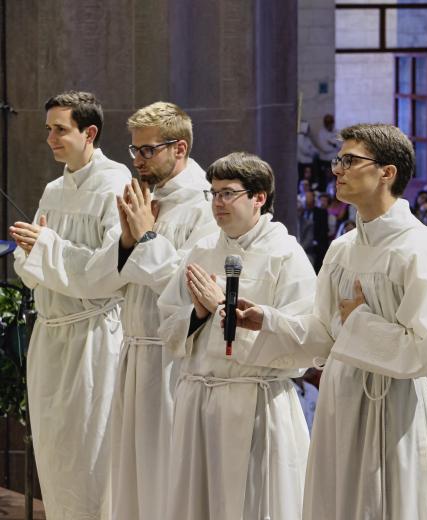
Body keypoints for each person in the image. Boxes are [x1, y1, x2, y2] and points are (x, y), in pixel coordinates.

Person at [229, 124, 427, 520]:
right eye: (339, 160)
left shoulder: (417, 248)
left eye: (350, 161)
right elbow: (323, 333)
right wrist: (268, 320)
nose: (337, 169)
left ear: (387, 173)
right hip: (342, 396)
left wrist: (360, 322)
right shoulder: (342, 248)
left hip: (392, 404)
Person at [157, 152, 316, 519]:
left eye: (228, 193)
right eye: (212, 193)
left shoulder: (285, 255)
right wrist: (198, 314)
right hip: (198, 399)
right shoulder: (202, 250)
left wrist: (220, 311)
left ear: (259, 197)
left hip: (254, 402)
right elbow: (167, 321)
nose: (217, 203)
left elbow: (305, 341)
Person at [9, 91, 131, 519]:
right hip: (51, 335)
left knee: (91, 455)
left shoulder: (116, 185)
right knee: (55, 451)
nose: (50, 139)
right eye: (48, 130)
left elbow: (110, 271)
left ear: (89, 132)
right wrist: (39, 251)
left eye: (60, 129)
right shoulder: (54, 189)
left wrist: (46, 248)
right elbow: (28, 265)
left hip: (92, 337)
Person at [109, 102, 217, 520]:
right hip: (135, 350)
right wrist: (127, 238)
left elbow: (190, 285)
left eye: (147, 150)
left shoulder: (205, 204)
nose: (137, 160)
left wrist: (145, 234)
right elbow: (125, 276)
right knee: (129, 477)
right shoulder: (148, 197)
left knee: (164, 476)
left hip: (171, 357)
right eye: (134, 151)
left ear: (180, 148)